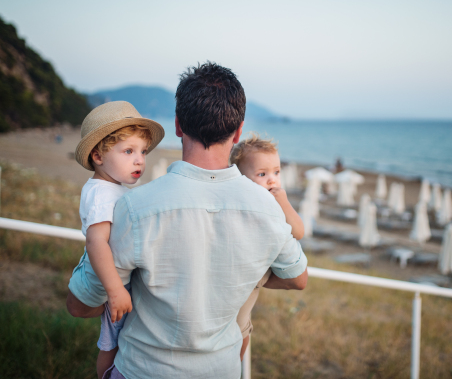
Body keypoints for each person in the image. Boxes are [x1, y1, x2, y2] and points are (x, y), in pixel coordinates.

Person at [66, 62, 308, 379]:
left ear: (179, 125)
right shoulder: (268, 209)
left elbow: (81, 305)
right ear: (237, 132)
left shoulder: (135, 207)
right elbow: (298, 279)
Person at [71, 101, 165, 378]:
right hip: (102, 280)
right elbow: (96, 243)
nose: (140, 160)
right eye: (128, 151)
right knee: (111, 346)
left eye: (143, 152)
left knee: (117, 342)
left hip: (111, 278)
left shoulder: (113, 188)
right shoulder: (102, 193)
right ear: (98, 156)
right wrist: (114, 290)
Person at [229, 133, 304, 359]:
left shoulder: (277, 202)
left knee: (242, 330)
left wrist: (284, 202)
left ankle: (235, 369)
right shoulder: (239, 200)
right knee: (235, 326)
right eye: (262, 174)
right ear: (241, 179)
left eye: (276, 172)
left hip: (254, 280)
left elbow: (298, 232)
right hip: (238, 278)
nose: (272, 180)